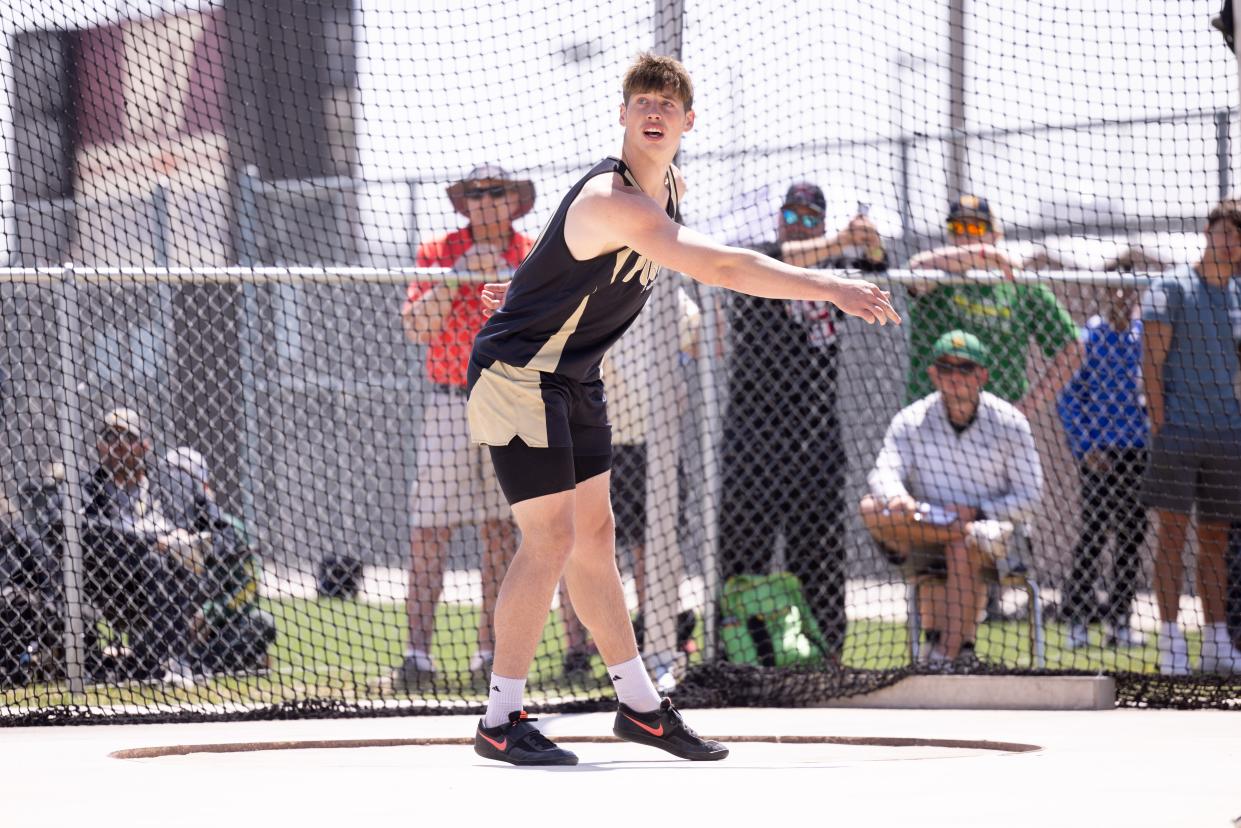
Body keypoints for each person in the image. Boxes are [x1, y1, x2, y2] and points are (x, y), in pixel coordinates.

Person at [464, 52, 899, 766]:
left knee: (596, 538)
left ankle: (638, 707)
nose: (654, 112)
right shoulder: (614, 197)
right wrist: (829, 284)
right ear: (623, 116)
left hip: (575, 376)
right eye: (642, 102)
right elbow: (724, 268)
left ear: (687, 121)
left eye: (667, 105)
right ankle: (499, 718)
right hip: (520, 376)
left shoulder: (671, 188)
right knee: (549, 539)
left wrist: (520, 294)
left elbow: (558, 255)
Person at [718, 182, 885, 663]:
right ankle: (743, 656)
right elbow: (787, 254)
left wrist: (869, 241)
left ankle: (825, 653)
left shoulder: (837, 278)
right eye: (793, 214)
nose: (800, 223)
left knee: (819, 551)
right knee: (744, 551)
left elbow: (879, 266)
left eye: (812, 218)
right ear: (779, 218)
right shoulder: (761, 260)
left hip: (815, 438)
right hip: (754, 439)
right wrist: (837, 241)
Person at [392, 164, 534, 691]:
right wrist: (463, 273)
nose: (486, 201)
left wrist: (507, 281)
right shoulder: (438, 251)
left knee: (500, 533)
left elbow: (548, 327)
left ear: (514, 200)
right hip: (450, 403)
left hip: (511, 402)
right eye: (476, 194)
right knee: (429, 531)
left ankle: (488, 656)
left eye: (497, 192)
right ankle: (416, 656)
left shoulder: (532, 251)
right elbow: (416, 328)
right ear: (465, 202)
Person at [860, 331, 1043, 665]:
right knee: (871, 507)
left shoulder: (1010, 423)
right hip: (928, 528)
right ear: (933, 373)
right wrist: (899, 497)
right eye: (946, 368)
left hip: (999, 536)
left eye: (965, 368)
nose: (955, 377)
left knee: (963, 544)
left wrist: (978, 511)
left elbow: (1031, 495)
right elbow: (883, 471)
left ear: (982, 374)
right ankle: (954, 654)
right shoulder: (912, 419)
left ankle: (946, 653)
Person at [560, 285, 703, 690]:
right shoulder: (591, 282)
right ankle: (576, 649)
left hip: (652, 444)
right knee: (582, 548)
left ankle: (649, 643)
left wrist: (710, 295)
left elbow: (705, 345)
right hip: (595, 436)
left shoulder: (668, 291)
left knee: (652, 548)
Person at [1140, 198, 1241, 675]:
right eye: (1225, 231)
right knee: (1172, 538)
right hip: (1178, 432)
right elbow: (1151, 365)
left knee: (1217, 540)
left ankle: (1217, 641)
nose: (1231, 241)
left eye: (1238, 235)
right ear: (1208, 231)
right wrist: (1161, 427)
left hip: (1228, 433)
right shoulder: (1171, 289)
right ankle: (1169, 639)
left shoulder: (1239, 294)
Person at [906, 195, 1082, 416]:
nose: (966, 234)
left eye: (976, 227)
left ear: (995, 234)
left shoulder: (1020, 286)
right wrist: (984, 254)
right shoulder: (936, 277)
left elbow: (1072, 349)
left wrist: (1027, 408)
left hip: (996, 426)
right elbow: (914, 272)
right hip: (931, 422)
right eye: (958, 227)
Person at [80, 407, 215, 685]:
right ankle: (173, 659)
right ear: (99, 446)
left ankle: (172, 660)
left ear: (144, 445)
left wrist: (190, 543)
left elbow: (218, 529)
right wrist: (156, 542)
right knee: (155, 559)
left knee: (162, 562)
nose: (118, 445)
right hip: (113, 582)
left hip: (176, 577)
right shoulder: (88, 488)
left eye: (127, 437)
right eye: (109, 437)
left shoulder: (171, 485)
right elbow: (88, 533)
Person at [1057, 259, 1150, 651]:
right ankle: (1077, 618)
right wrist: (1085, 447)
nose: (1121, 295)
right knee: (1094, 534)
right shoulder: (1088, 338)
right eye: (1114, 287)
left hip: (1138, 451)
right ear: (1103, 290)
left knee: (1131, 537)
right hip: (1099, 453)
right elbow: (1068, 397)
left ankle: (1121, 622)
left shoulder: (1146, 337)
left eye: (1129, 287)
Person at [164, 447, 276, 675]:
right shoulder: (156, 525)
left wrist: (209, 614)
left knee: (260, 623)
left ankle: (200, 664)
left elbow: (249, 586)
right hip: (167, 622)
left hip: (215, 629)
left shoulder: (229, 530)